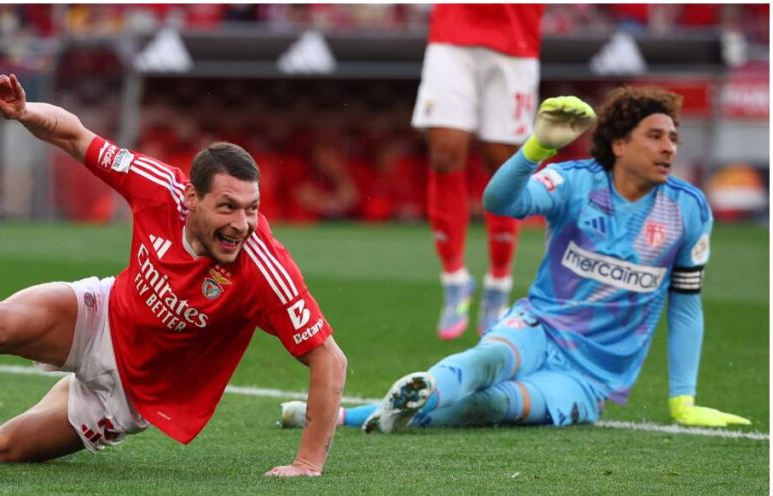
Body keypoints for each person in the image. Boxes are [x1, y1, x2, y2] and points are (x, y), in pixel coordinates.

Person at [0, 73, 347, 478]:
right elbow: (75, 137)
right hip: (104, 314)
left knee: (0, 450)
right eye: (228, 208)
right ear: (191, 198)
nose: (242, 224)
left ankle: (74, 395)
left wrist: (308, 463)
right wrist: (24, 112)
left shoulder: (262, 268)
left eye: (251, 209)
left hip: (129, 394)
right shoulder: (158, 187)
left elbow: (327, 356)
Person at [279, 87, 750, 433]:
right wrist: (536, 149)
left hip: (590, 378)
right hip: (539, 326)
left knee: (496, 405)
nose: (669, 147)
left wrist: (682, 399)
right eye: (655, 136)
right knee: (486, 361)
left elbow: (686, 304)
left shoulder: (688, 209)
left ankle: (343, 416)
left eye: (673, 137)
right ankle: (374, 408)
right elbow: (499, 202)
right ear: (620, 144)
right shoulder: (575, 181)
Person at [413, 4, 544, 339]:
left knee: (504, 164)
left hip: (516, 35)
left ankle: (499, 284)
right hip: (453, 32)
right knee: (444, 153)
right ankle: (454, 280)